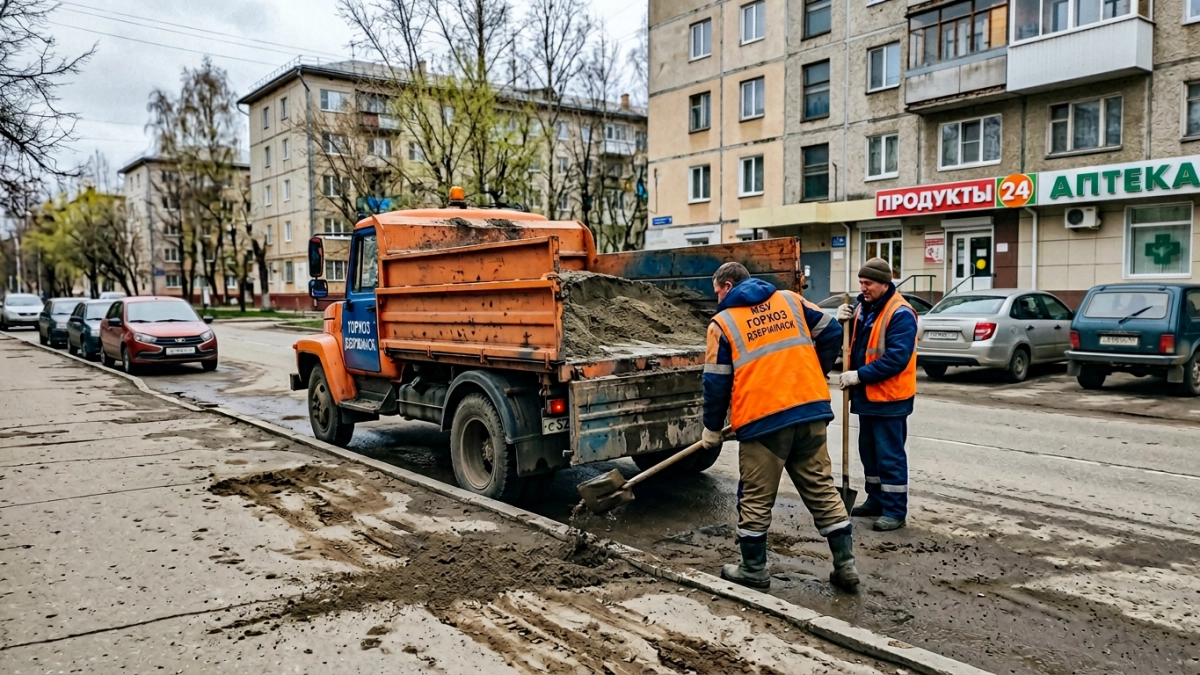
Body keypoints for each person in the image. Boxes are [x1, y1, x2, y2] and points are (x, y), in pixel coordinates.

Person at [701, 262, 859, 592]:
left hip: (764, 423)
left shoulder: (723, 323)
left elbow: (715, 383)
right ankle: (846, 566)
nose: (716, 300)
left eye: (717, 293)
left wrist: (711, 428)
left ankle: (753, 570)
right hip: (811, 412)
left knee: (756, 499)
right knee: (822, 490)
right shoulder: (790, 300)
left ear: (728, 287)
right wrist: (815, 370)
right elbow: (831, 332)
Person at [836, 258, 917, 532]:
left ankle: (895, 510)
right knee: (869, 452)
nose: (863, 287)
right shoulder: (862, 308)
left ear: (884, 283)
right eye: (860, 282)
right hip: (868, 397)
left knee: (889, 455)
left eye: (868, 283)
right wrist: (841, 322)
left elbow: (897, 359)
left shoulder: (901, 313)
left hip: (890, 398)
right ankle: (876, 498)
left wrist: (859, 375)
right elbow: (853, 342)